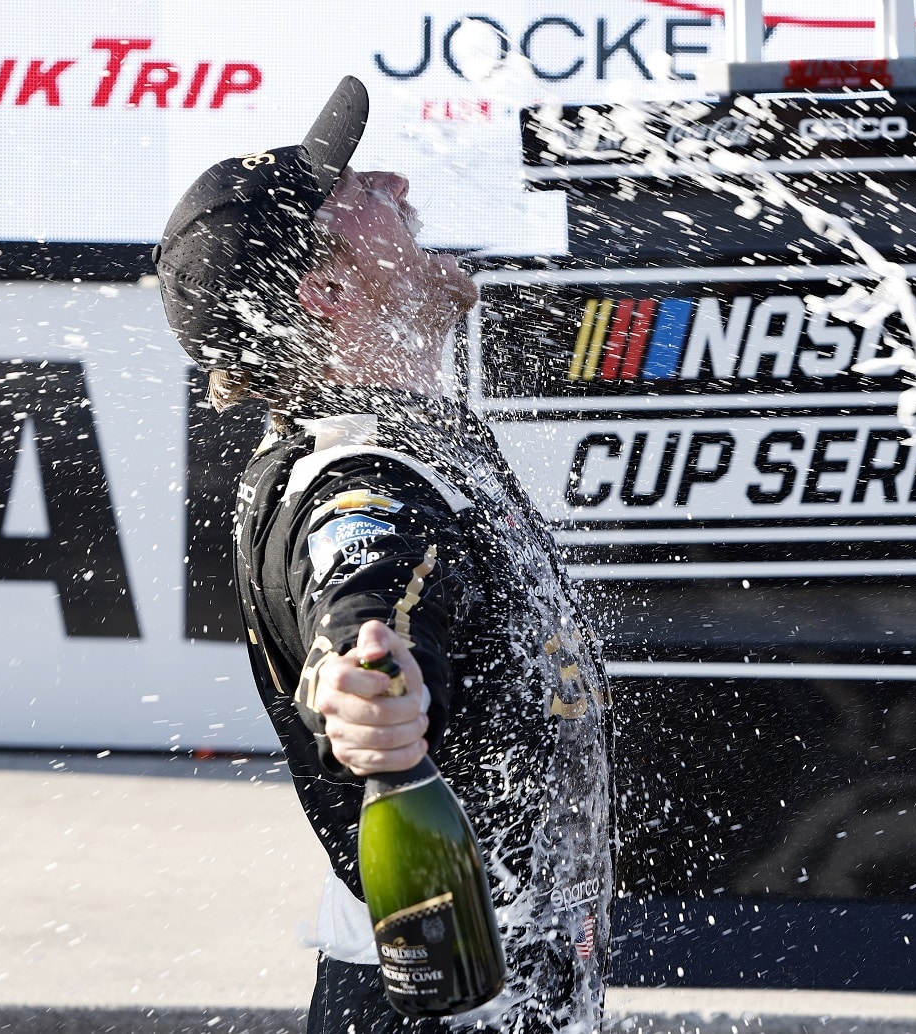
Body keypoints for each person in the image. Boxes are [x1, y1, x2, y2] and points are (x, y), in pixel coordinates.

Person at [153, 76, 613, 1034]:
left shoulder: (399, 438)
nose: (398, 183)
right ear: (322, 294)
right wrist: (369, 686)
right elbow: (362, 604)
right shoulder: (361, 481)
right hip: (448, 1000)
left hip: (482, 975)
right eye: (356, 191)